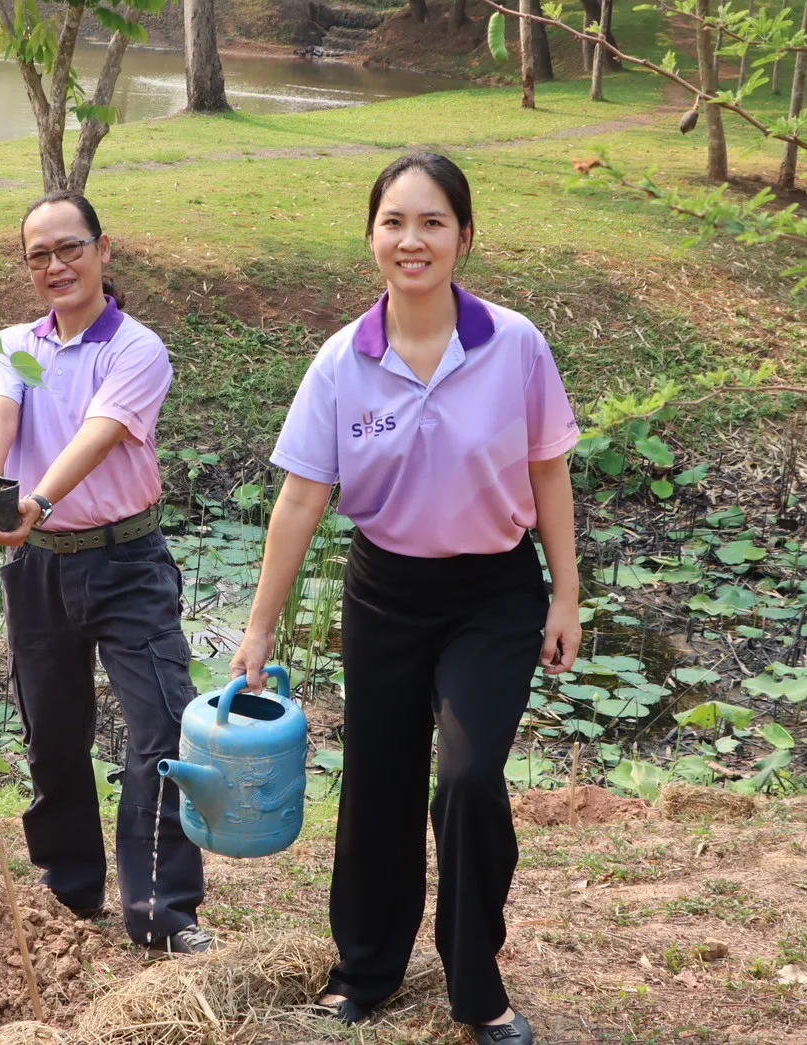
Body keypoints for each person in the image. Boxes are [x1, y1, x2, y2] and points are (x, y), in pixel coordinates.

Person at [228, 153, 581, 1045]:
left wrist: (565, 597)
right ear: (371, 238)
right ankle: (364, 970)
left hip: (492, 593)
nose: (411, 240)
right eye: (393, 222)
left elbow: (548, 470)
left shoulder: (515, 344)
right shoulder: (342, 360)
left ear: (465, 237)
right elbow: (301, 499)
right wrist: (258, 628)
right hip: (384, 590)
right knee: (378, 784)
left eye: (431, 223)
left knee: (466, 779)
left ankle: (477, 987)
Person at [0, 190, 212, 955]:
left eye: (69, 248)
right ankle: (68, 891)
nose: (55, 266)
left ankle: (159, 911)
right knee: (53, 735)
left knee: (163, 730)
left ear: (104, 251)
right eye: (38, 254)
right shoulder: (15, 343)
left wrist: (36, 498)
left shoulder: (136, 348)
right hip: (38, 568)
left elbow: (101, 434)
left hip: (125, 560)